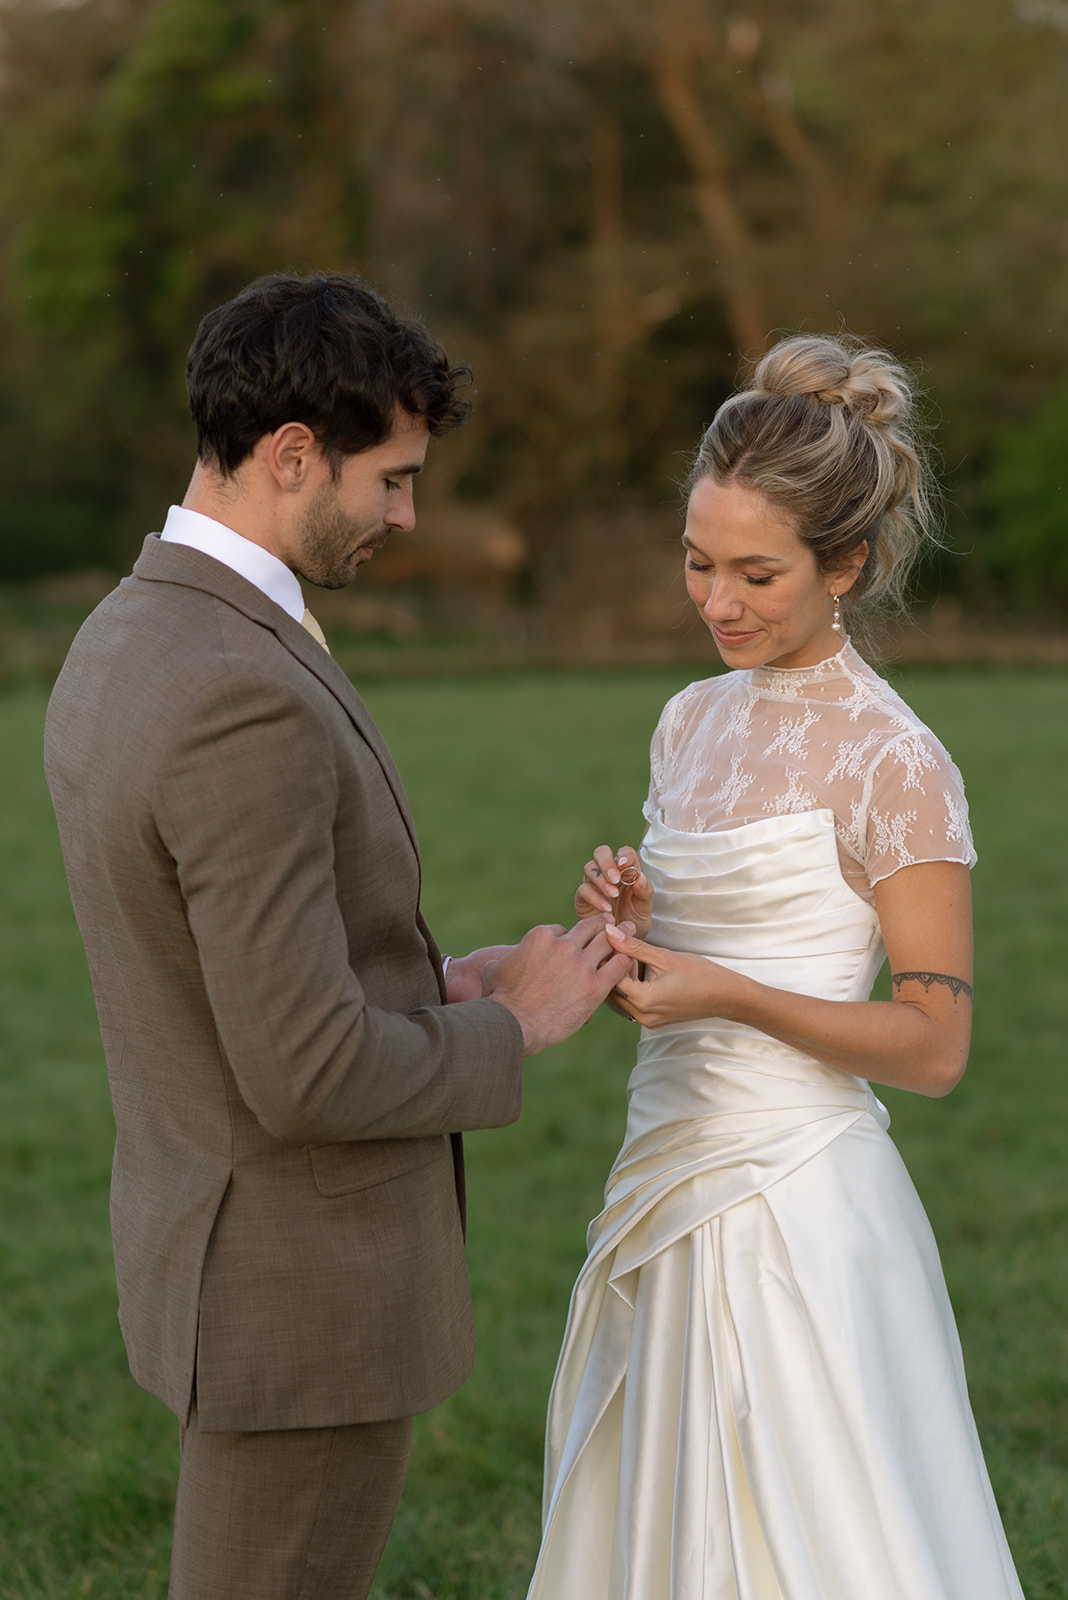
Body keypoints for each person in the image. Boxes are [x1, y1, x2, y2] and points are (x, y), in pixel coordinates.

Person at [43, 270, 631, 1600]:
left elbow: (222, 965)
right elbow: (305, 1069)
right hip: (296, 1296)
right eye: (393, 479)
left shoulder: (130, 631)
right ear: (294, 454)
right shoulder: (236, 692)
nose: (410, 516)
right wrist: (511, 1024)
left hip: (217, 1254)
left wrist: (431, 980)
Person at [525, 333, 1025, 1599]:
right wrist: (636, 922)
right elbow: (684, 973)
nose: (718, 600)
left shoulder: (894, 762)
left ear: (845, 563)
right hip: (661, 1180)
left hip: (797, 1204)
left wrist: (730, 991)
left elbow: (936, 1047)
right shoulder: (689, 720)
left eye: (758, 572)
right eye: (699, 562)